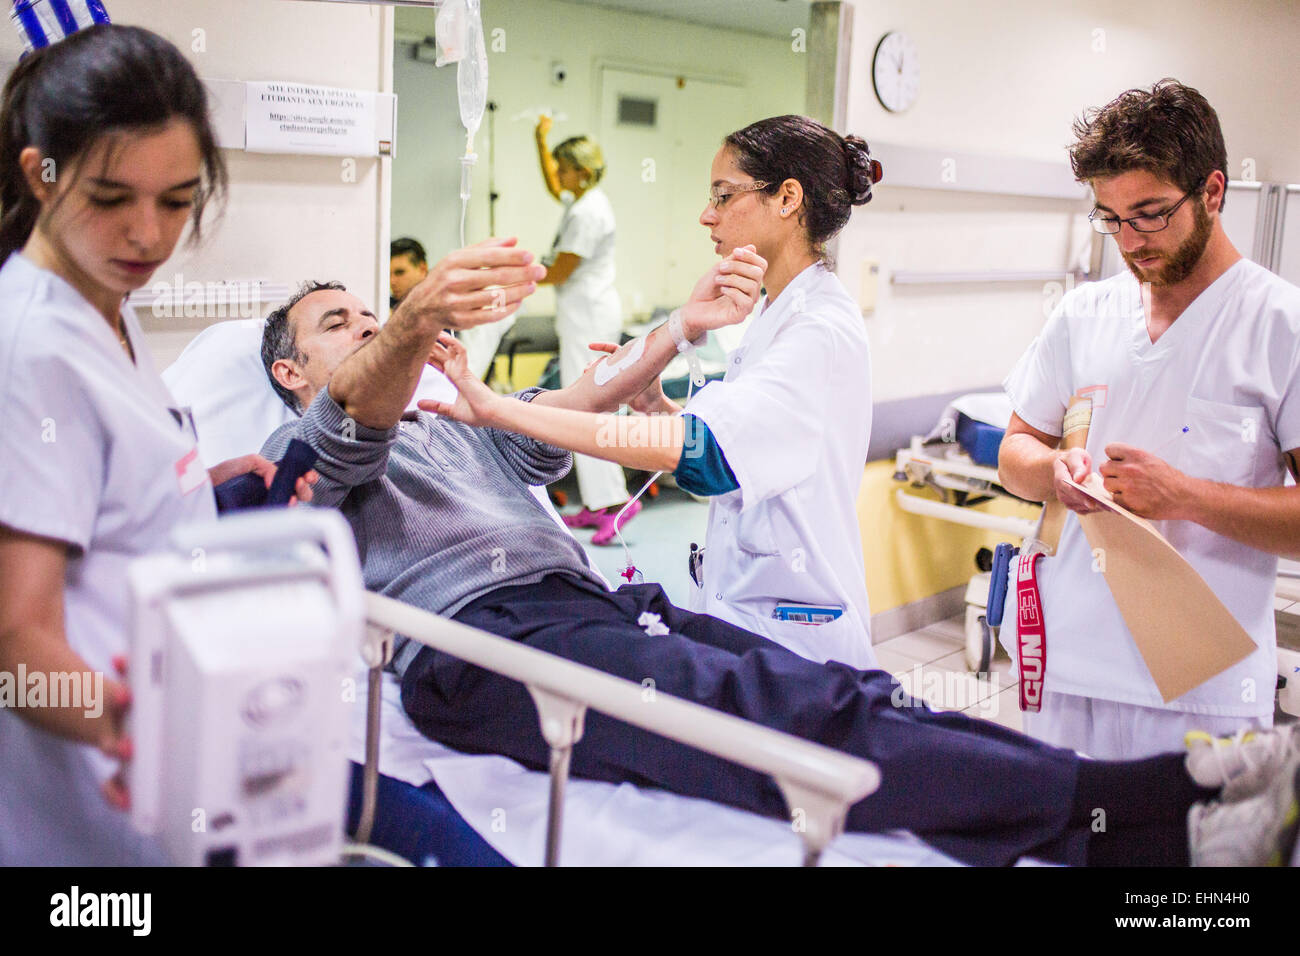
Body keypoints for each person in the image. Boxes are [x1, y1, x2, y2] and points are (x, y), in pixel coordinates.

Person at [260, 279, 1300, 867]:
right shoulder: (311, 447)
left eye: (367, 311)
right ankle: (1153, 802)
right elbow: (356, 415)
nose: (363, 325)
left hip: (592, 604)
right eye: (335, 323)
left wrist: (680, 329)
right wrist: (406, 319)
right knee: (777, 716)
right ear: (292, 371)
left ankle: (1112, 826)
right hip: (489, 649)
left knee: (841, 691)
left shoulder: (450, 426)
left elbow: (557, 413)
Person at [0, 24, 317, 865]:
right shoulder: (31, 348)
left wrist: (194, 486)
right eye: (111, 198)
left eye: (176, 201)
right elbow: (11, 639)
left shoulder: (106, 300)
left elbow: (86, 498)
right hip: (85, 798)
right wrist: (137, 731)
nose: (148, 233)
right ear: (42, 174)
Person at [432, 115, 881, 668]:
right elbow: (750, 455)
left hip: (798, 635)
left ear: (788, 198)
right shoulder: (771, 312)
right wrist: (659, 406)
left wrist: (503, 412)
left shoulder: (818, 328)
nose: (706, 215)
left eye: (724, 195)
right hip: (750, 610)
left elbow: (709, 456)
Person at [997, 80, 1300, 760]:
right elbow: (1016, 453)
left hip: (1199, 690)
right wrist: (1053, 471)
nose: (1131, 240)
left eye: (1151, 213)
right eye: (1111, 218)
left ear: (1213, 192)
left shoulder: (1281, 326)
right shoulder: (1084, 315)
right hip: (1063, 666)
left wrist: (1185, 498)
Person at [534, 116, 636, 545]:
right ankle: (598, 505)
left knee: (587, 408)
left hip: (589, 318)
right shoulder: (581, 201)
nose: (557, 174)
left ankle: (617, 503)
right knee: (582, 407)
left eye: (562, 166)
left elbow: (559, 271)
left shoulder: (589, 211)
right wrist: (539, 140)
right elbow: (551, 186)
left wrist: (515, 274)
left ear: (582, 169)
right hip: (582, 316)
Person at [389, 236, 428, 309]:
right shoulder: (385, 308)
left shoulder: (443, 303)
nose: (392, 282)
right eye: (388, 275)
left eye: (400, 273)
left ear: (423, 269)